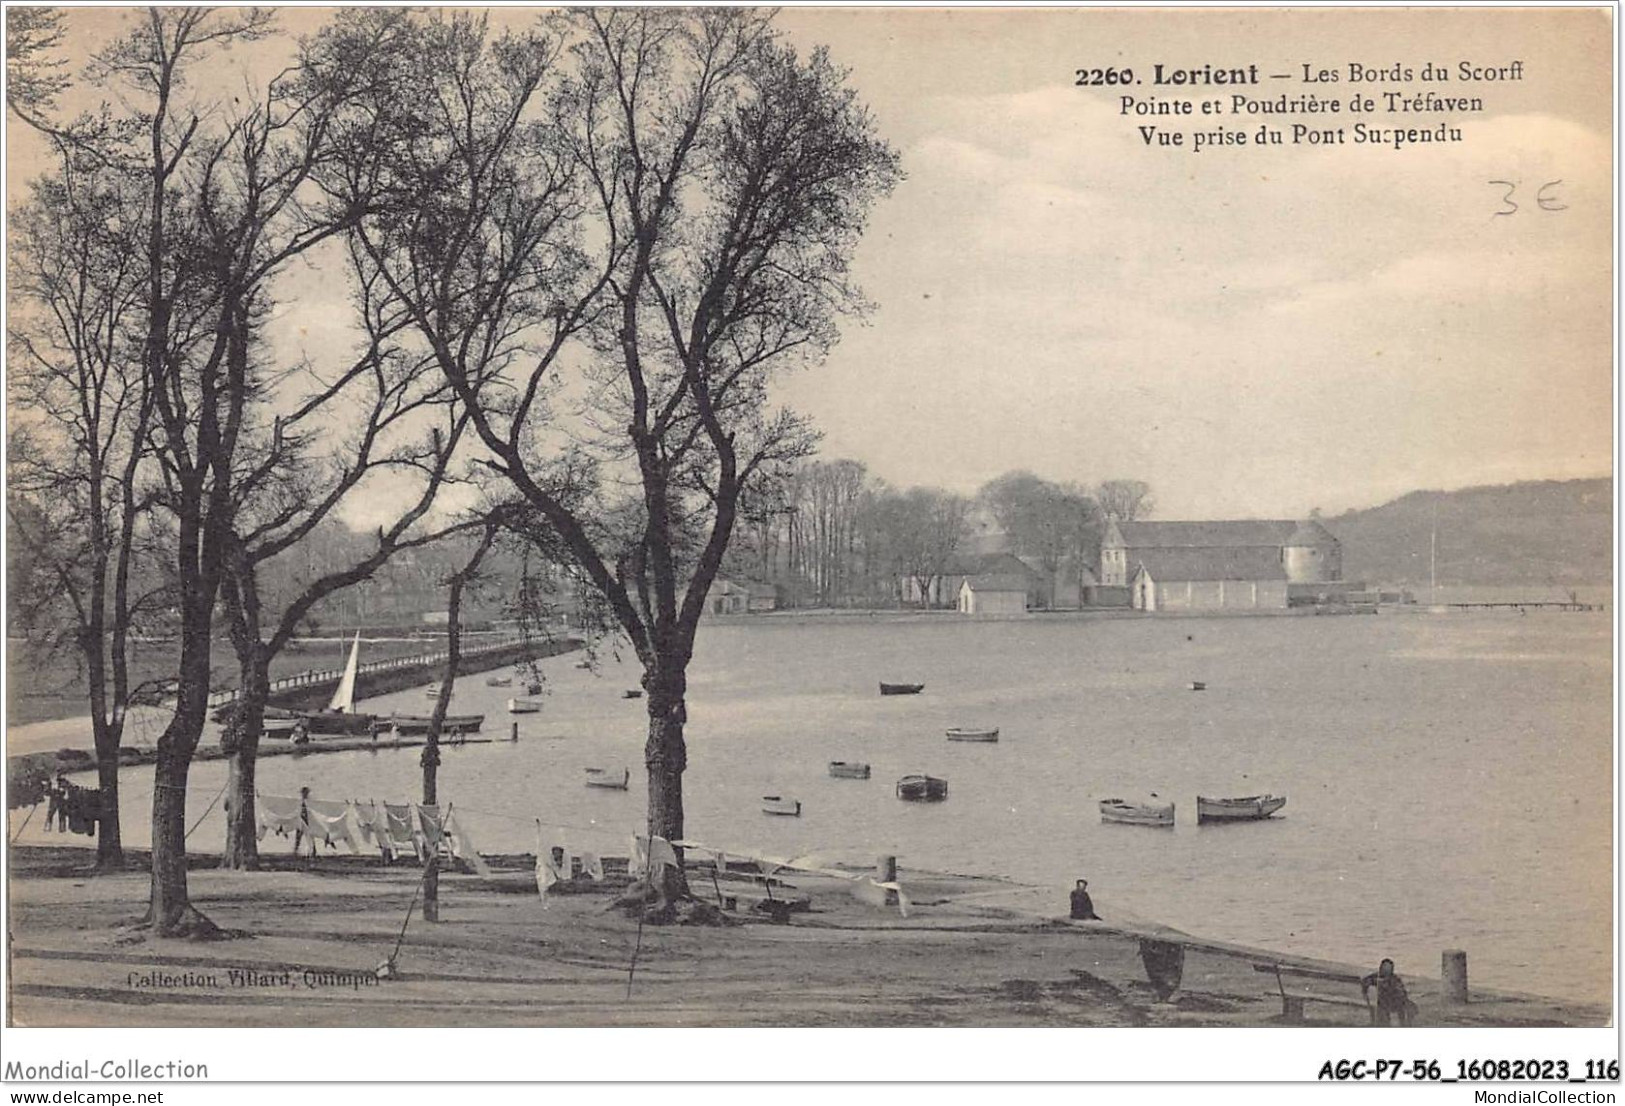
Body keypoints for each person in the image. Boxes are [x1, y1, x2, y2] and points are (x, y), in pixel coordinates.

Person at [1361, 958, 1415, 1026]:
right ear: (1380, 968)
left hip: (1395, 1002)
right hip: (1384, 1003)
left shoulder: (1394, 979)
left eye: (1388, 968)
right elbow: (1365, 981)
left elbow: (1401, 993)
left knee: (1409, 1008)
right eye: (1384, 967)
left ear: (1391, 970)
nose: (1385, 970)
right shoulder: (1375, 977)